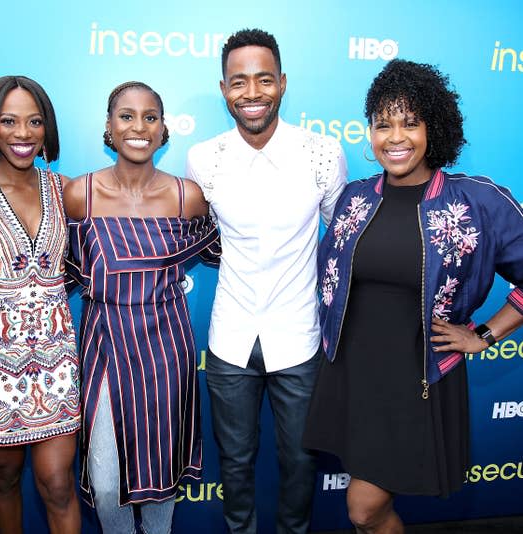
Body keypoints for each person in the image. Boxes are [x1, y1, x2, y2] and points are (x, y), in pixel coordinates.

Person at [303, 59, 523, 534]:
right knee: (364, 514)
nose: (395, 136)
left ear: (434, 128)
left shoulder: (476, 201)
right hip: (352, 372)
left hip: (416, 377)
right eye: (383, 124)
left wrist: (484, 332)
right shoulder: (355, 197)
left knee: (363, 508)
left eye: (410, 122)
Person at [186, 28, 348, 534]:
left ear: (282, 82)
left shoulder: (321, 152)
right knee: (234, 466)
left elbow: (339, 242)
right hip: (230, 337)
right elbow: (200, 236)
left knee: (300, 464)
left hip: (299, 337)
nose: (251, 93)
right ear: (223, 89)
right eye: (239, 82)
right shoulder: (203, 158)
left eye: (263, 80)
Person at [64, 81, 219, 534]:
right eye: (126, 116)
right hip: (105, 345)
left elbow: (225, 252)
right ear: (109, 128)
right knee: (107, 483)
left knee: (160, 480)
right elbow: (62, 271)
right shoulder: (80, 195)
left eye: (150, 117)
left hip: (165, 350)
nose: (138, 126)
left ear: (164, 129)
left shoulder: (187, 197)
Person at [0, 75, 81, 533]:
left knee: (57, 482)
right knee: (3, 475)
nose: (22, 133)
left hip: (56, 358)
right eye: (8, 121)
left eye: (34, 122)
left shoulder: (67, 190)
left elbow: (96, 257)